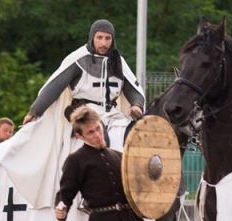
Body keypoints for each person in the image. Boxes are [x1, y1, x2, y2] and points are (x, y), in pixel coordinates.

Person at [22, 19, 144, 152]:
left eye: (107, 38)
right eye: (99, 38)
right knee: (101, 139)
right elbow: (54, 86)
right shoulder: (78, 58)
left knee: (133, 135)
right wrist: (34, 111)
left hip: (113, 115)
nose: (103, 43)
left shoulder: (118, 61)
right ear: (92, 38)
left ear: (112, 40)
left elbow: (132, 88)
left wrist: (136, 104)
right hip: (85, 113)